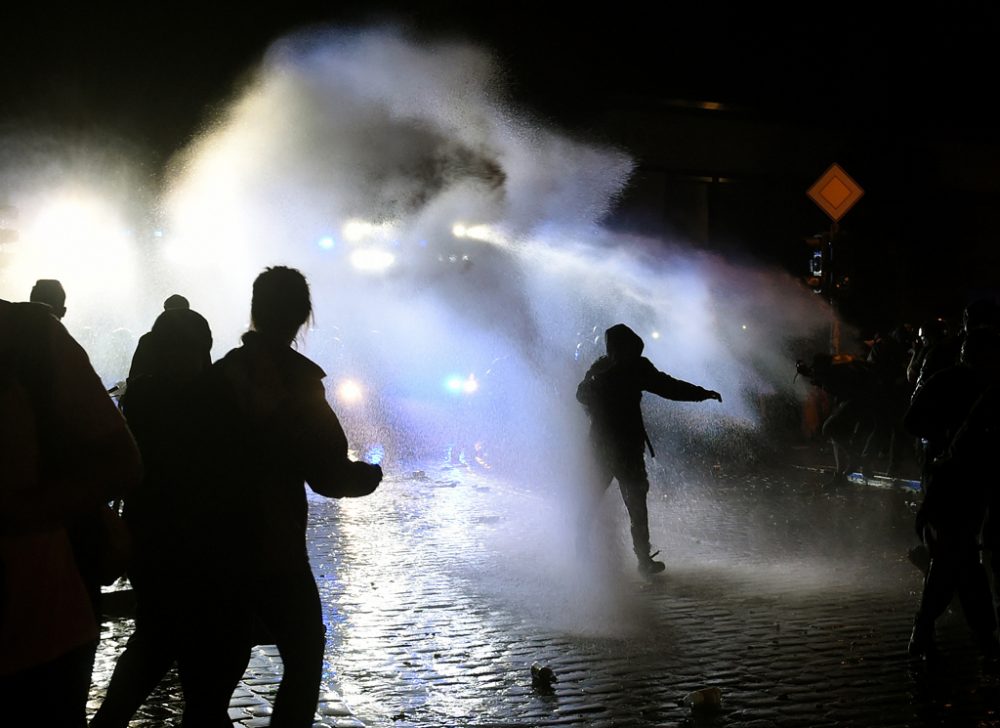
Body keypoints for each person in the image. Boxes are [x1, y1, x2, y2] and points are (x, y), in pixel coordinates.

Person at [189, 266, 383, 726]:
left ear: (255, 310)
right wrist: (369, 475)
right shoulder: (299, 382)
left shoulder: (220, 375)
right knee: (305, 652)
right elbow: (328, 475)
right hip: (274, 546)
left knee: (214, 675)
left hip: (213, 545)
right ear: (302, 316)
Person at [0, 298, 141, 726]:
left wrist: (17, 515)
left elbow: (121, 462)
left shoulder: (27, 337)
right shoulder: (30, 335)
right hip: (41, 622)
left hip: (35, 621)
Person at [90, 307, 218, 728]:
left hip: (152, 537)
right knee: (170, 643)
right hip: (185, 541)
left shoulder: (140, 398)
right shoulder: (203, 401)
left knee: (159, 639)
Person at [576, 323, 722, 575]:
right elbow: (581, 395)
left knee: (636, 503)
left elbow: (668, 386)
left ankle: (643, 559)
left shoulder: (636, 367)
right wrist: (602, 378)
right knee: (592, 500)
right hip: (603, 447)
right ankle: (580, 550)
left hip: (628, 448)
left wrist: (701, 393)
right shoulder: (602, 367)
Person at [796, 352, 879, 485]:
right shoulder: (832, 371)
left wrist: (810, 373)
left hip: (859, 401)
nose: (814, 371)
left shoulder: (836, 372)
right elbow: (819, 378)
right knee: (837, 436)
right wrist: (808, 372)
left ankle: (855, 458)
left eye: (816, 368)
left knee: (829, 428)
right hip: (854, 401)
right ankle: (842, 475)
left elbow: (827, 382)